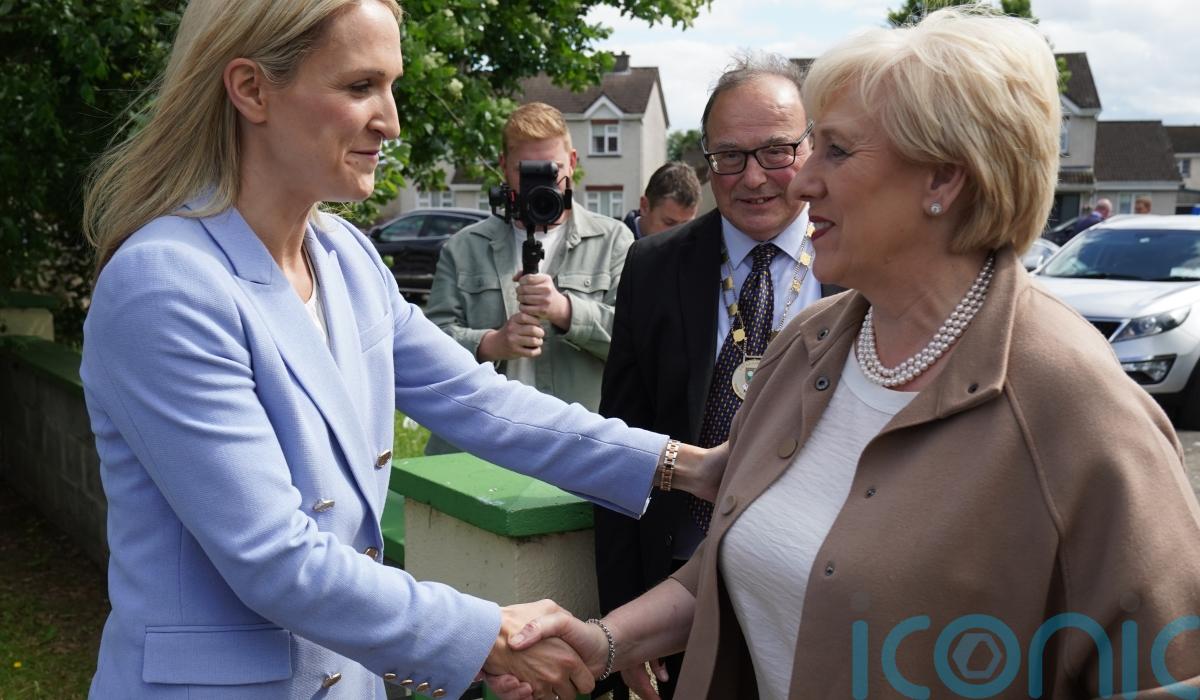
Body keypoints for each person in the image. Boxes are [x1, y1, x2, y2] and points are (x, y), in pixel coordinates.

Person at [504, 7, 1200, 698]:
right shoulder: (805, 349)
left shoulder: (1078, 406)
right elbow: (743, 557)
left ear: (943, 178)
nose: (801, 181)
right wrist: (606, 640)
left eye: (833, 151)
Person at [79, 2, 722, 698]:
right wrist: (491, 638)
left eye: (391, 86)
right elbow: (273, 557)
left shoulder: (347, 259)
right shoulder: (166, 282)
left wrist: (688, 466)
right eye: (360, 86)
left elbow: (480, 403)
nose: (390, 120)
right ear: (251, 89)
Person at [593, 53, 841, 700]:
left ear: (812, 147)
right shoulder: (653, 266)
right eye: (729, 156)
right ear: (706, 162)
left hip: (824, 587)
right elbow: (621, 441)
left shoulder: (858, 259)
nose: (752, 177)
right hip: (682, 589)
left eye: (777, 152)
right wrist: (623, 615)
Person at [423, 102, 633, 455]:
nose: (541, 182)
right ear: (504, 167)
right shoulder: (463, 248)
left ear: (573, 162)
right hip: (480, 446)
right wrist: (490, 344)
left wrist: (566, 310)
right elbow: (428, 345)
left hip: (575, 446)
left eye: (551, 169)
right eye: (527, 171)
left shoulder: (613, 241)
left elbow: (636, 344)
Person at [621, 161, 702, 238]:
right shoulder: (617, 245)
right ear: (644, 206)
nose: (678, 235)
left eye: (686, 226)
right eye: (669, 223)